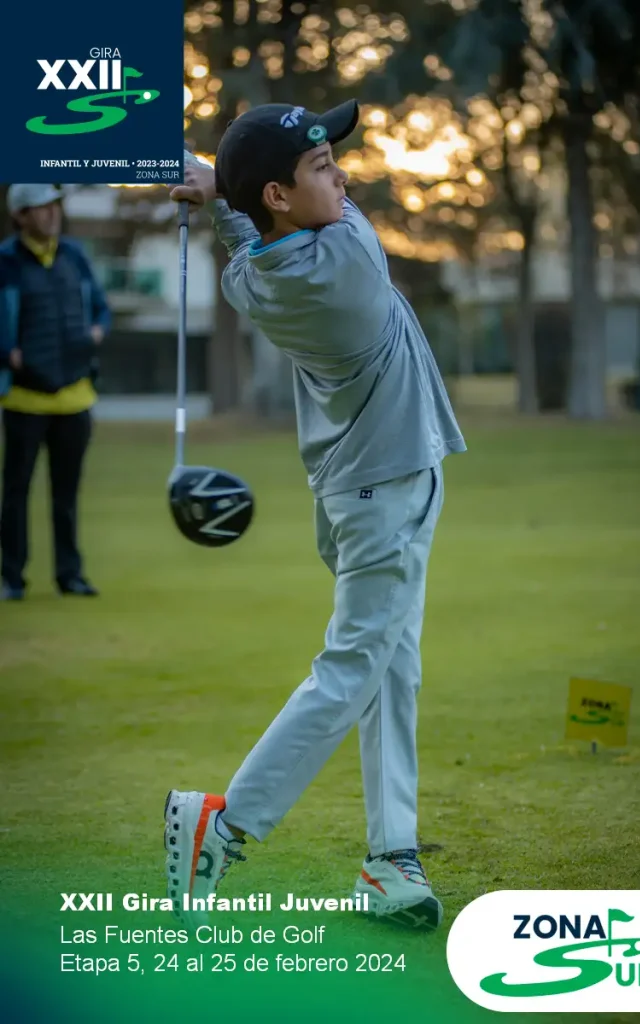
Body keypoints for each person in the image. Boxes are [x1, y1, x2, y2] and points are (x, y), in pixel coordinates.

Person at [166, 100, 466, 931]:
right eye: (321, 168)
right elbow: (278, 218)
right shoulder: (350, 256)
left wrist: (216, 190)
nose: (342, 179)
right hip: (385, 487)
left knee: (389, 668)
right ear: (277, 195)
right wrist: (219, 190)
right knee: (353, 666)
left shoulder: (251, 277)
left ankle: (388, 858)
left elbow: (248, 232)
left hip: (356, 487)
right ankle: (225, 824)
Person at [0, 184, 110, 601]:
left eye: (53, 206)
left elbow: (100, 307)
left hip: (75, 398)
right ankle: (12, 577)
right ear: (20, 216)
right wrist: (7, 353)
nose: (51, 214)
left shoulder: (74, 256)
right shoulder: (6, 262)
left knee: (66, 495)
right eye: (40, 208)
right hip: (24, 400)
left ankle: (70, 574)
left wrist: (96, 331)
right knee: (16, 494)